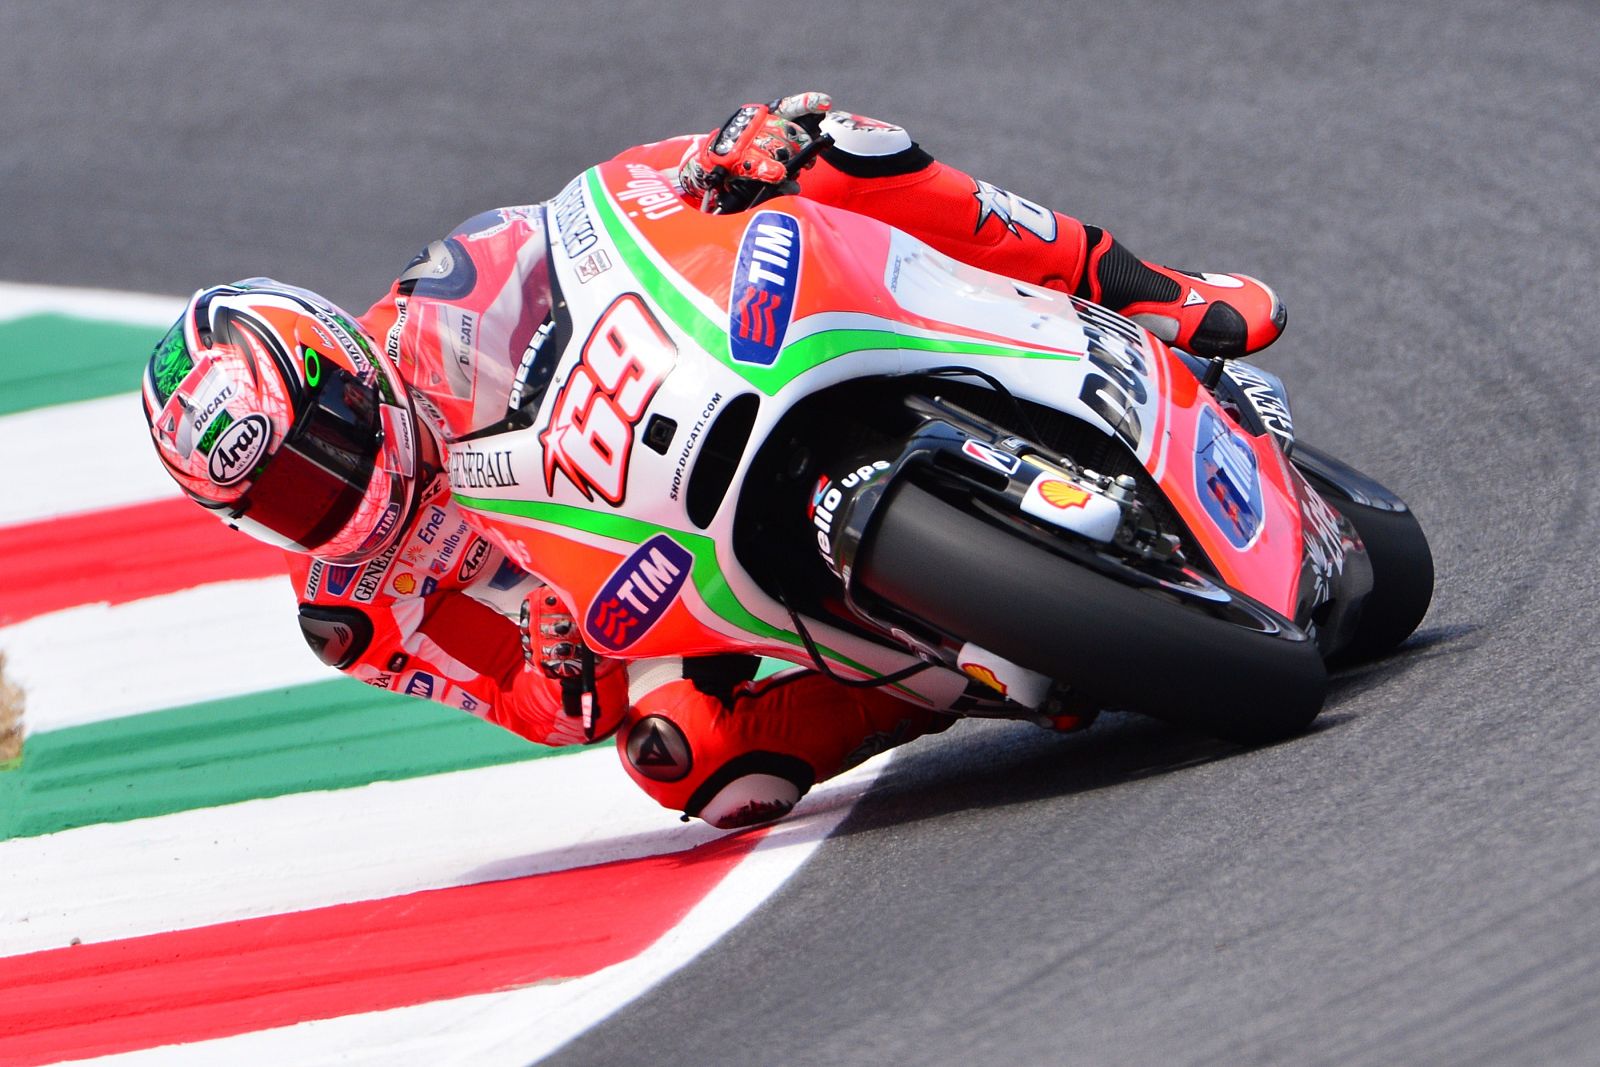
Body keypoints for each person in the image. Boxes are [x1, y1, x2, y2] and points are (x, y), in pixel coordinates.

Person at [140, 94, 1287, 829]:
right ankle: (968, 668)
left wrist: (717, 158)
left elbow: (590, 223)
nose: (328, 491)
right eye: (287, 498)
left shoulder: (436, 307)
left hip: (690, 404)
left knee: (834, 144)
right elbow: (531, 702)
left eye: (322, 446)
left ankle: (1148, 292)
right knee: (684, 761)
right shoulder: (359, 611)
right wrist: (561, 666)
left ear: (342, 364)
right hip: (657, 595)